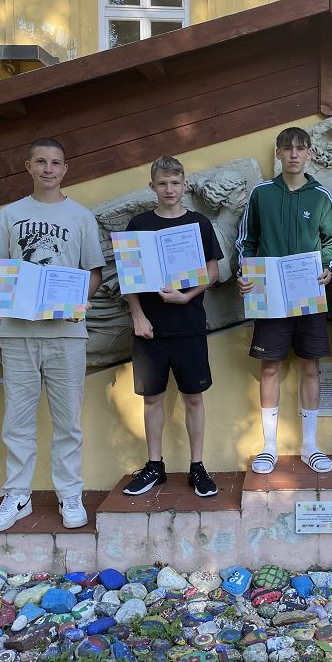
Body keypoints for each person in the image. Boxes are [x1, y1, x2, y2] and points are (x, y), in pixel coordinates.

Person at [0, 137, 105, 532]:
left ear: (65, 169)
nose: (48, 169)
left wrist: (77, 302)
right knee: (17, 420)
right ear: (29, 167)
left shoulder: (81, 216)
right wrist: (4, 298)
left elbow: (94, 271)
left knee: (68, 421)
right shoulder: (10, 215)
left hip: (66, 334)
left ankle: (70, 493)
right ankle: (17, 494)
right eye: (41, 161)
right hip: (17, 332)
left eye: (55, 162)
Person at [236, 126, 332, 474]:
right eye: (287, 148)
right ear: (278, 153)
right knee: (269, 368)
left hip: (309, 294)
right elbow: (247, 241)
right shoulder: (261, 193)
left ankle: (310, 445)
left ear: (309, 153)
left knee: (311, 367)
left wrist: (327, 269)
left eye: (300, 148)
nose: (294, 154)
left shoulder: (320, 196)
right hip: (269, 297)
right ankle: (269, 447)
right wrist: (244, 273)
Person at [121, 156, 223, 498]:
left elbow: (213, 272)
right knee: (152, 399)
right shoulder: (139, 224)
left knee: (194, 398)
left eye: (175, 183)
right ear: (152, 186)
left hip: (188, 324)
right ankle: (155, 466)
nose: (169, 189)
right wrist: (138, 316)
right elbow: (129, 278)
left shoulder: (198, 223)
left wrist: (186, 297)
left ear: (184, 185)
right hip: (150, 328)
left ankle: (197, 467)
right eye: (162, 183)